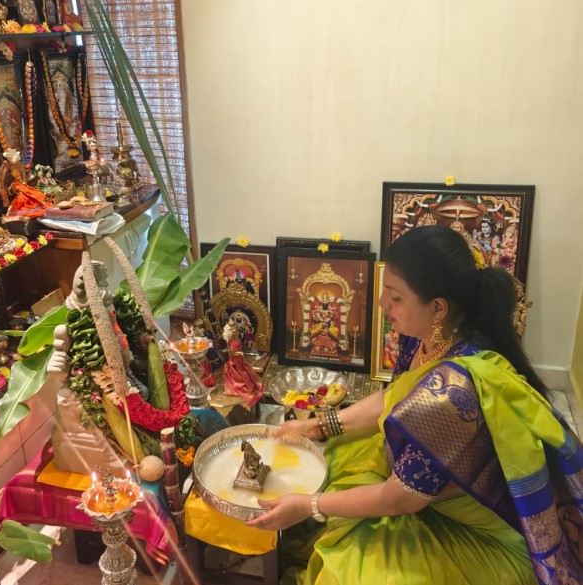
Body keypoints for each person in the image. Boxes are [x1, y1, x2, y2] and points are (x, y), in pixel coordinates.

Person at [246, 226, 582, 585]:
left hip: (482, 532)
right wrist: (316, 426)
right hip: (428, 491)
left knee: (352, 569)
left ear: (437, 307)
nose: (381, 304)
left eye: (395, 297)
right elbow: (393, 398)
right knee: (334, 455)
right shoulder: (429, 338)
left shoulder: (451, 394)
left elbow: (398, 500)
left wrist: (308, 506)